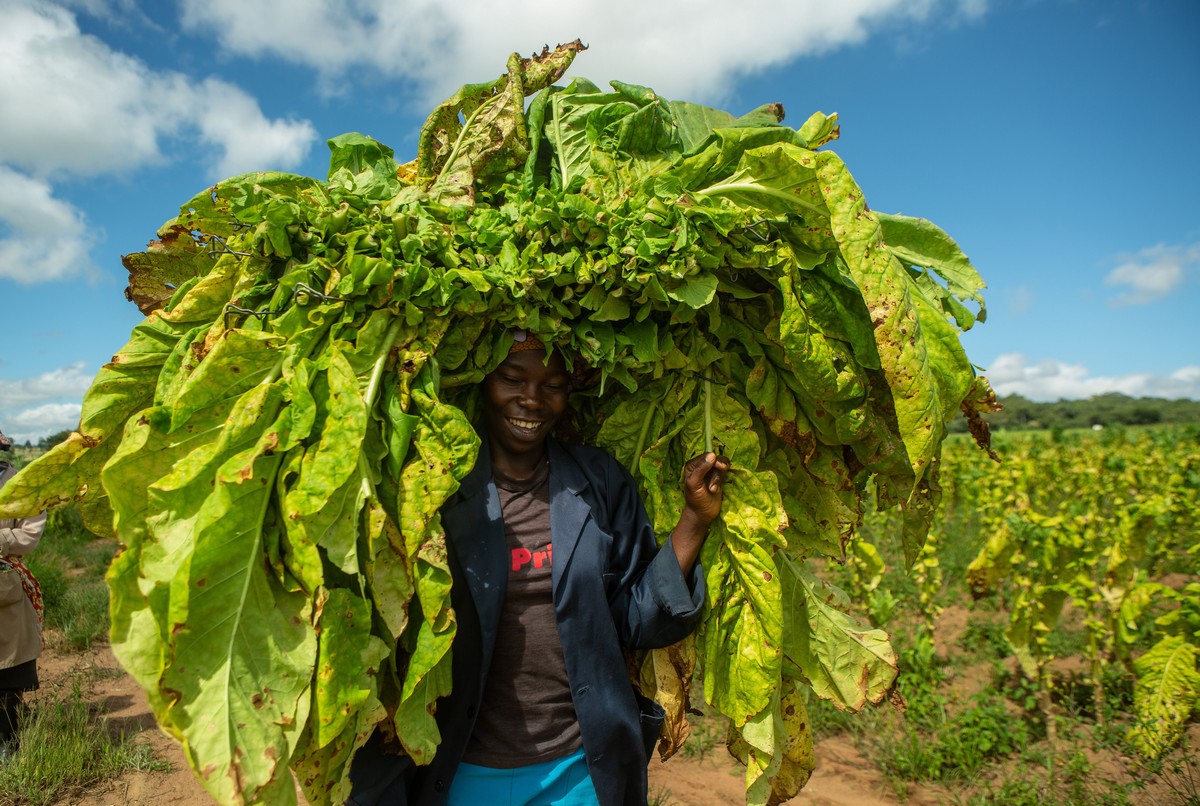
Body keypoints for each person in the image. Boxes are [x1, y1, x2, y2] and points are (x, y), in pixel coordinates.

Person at [350, 331, 730, 805]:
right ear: (481, 382)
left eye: (552, 384)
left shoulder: (599, 480)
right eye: (512, 378)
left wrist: (694, 521)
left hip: (576, 771)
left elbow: (635, 619)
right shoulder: (431, 487)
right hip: (459, 769)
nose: (531, 400)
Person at [0, 428, 47, 760]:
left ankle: (8, 749)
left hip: (3, 586)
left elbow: (29, 536)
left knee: (5, 678)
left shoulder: (24, 487)